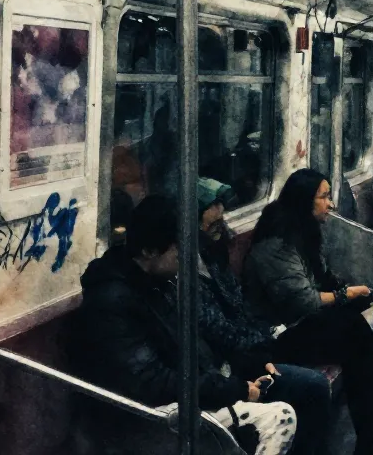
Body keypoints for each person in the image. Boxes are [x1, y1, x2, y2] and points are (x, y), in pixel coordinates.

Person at [73, 193, 297, 455]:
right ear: (149, 251)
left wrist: (247, 367)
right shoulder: (112, 302)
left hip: (180, 396)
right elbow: (151, 382)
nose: (187, 257)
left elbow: (198, 345)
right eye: (179, 249)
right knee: (281, 417)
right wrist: (232, 389)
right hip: (144, 417)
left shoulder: (159, 283)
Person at [244, 170, 373, 455]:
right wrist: (348, 295)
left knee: (359, 338)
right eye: (324, 197)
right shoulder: (275, 247)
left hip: (299, 325)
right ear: (303, 201)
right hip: (276, 337)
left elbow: (322, 279)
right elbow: (304, 301)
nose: (331, 204)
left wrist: (352, 293)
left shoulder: (303, 234)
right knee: (357, 335)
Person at [197, 178, 333, 455]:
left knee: (350, 329)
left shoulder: (214, 258)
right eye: (212, 226)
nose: (221, 231)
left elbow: (239, 310)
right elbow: (220, 329)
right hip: (234, 361)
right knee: (316, 383)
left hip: (252, 345)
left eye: (221, 223)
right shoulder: (188, 278)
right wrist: (260, 351)